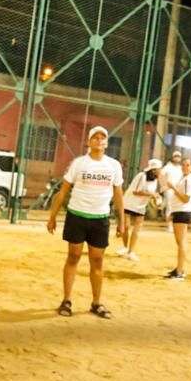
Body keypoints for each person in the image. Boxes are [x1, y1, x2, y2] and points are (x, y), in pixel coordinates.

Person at [48, 126, 125, 319]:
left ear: (107, 143)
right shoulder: (79, 163)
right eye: (95, 137)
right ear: (88, 142)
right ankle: (66, 300)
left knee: (97, 260)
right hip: (77, 215)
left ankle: (96, 302)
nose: (99, 140)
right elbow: (64, 190)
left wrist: (122, 222)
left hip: (100, 218)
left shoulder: (114, 166)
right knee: (73, 256)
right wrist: (52, 216)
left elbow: (118, 194)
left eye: (103, 138)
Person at [118, 159, 162, 262]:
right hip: (129, 203)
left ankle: (131, 252)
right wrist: (151, 195)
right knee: (126, 226)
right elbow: (135, 191)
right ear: (154, 170)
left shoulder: (155, 180)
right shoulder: (141, 176)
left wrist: (155, 199)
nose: (160, 171)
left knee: (137, 229)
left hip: (141, 206)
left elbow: (150, 193)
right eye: (159, 169)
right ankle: (125, 247)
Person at [164, 157, 191, 280]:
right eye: (183, 165)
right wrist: (172, 212)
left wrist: (173, 188)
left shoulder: (189, 179)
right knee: (179, 242)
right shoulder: (183, 178)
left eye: (187, 165)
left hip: (184, 211)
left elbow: (186, 199)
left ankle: (180, 271)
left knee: (182, 242)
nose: (184, 167)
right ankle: (179, 269)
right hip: (179, 211)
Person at [161, 150, 183, 233]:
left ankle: (175, 225)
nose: (177, 158)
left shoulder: (181, 168)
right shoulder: (167, 167)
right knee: (169, 207)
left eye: (179, 156)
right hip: (169, 190)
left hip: (178, 190)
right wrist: (164, 187)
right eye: (175, 156)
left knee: (177, 208)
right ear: (173, 157)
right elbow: (161, 176)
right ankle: (169, 225)